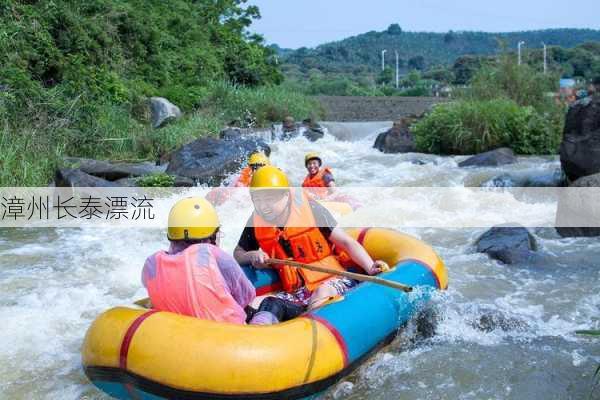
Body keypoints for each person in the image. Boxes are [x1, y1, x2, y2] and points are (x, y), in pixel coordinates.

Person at [233, 166, 388, 310]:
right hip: (298, 291)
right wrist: (252, 255)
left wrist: (370, 268)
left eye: (270, 199)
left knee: (321, 292)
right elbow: (238, 253)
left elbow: (346, 242)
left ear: (286, 195)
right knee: (255, 303)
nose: (263, 206)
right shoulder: (256, 220)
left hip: (334, 280)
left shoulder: (311, 210)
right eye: (258, 200)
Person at [142, 197, 289, 325]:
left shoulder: (151, 263)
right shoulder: (213, 255)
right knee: (271, 303)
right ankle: (261, 330)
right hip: (225, 333)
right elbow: (246, 295)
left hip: (175, 330)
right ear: (211, 235)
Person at [206, 152, 270, 205]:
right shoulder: (241, 177)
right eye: (255, 168)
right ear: (250, 168)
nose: (258, 171)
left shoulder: (270, 179)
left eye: (262, 168)